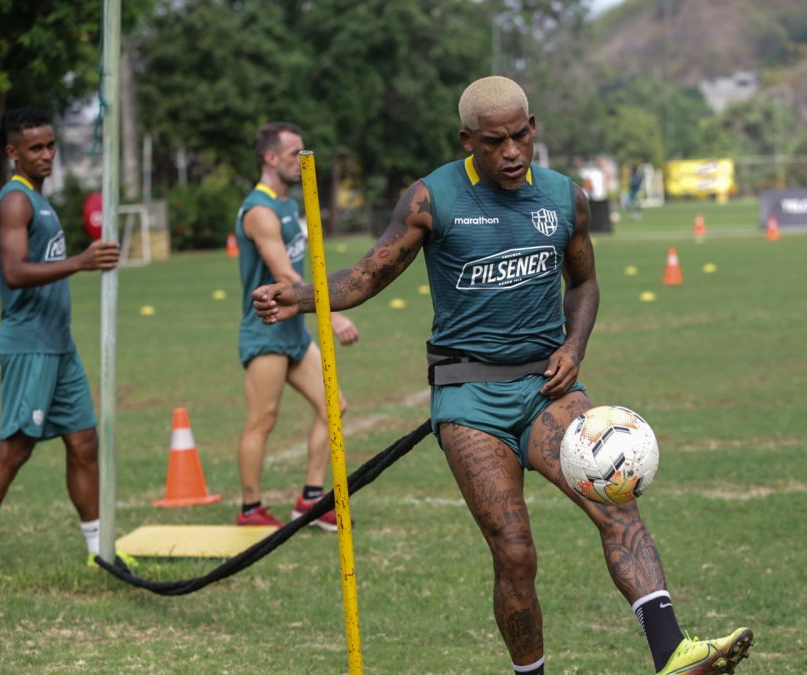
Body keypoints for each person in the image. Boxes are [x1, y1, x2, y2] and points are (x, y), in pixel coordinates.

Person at [252, 77, 753, 675]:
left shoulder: (566, 198)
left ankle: (673, 652)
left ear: (534, 127)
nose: (512, 152)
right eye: (495, 142)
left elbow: (585, 282)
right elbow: (368, 275)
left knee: (615, 501)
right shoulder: (430, 199)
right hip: (468, 400)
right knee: (514, 553)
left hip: (548, 388)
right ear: (469, 141)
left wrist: (576, 344)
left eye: (521, 136)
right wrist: (302, 297)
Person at [0, 106, 131, 571]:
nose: (47, 155)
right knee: (15, 450)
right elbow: (13, 273)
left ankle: (99, 553)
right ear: (13, 152)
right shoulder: (15, 200)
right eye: (36, 148)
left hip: (60, 343)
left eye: (51, 145)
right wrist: (80, 261)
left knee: (84, 444)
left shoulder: (41, 198)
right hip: (29, 343)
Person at [235, 121, 359, 530]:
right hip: (266, 328)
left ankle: (309, 500)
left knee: (334, 407)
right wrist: (332, 311)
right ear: (271, 158)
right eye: (293, 154)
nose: (301, 160)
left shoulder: (288, 205)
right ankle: (250, 509)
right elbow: (283, 271)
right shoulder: (260, 209)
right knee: (263, 420)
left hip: (293, 331)